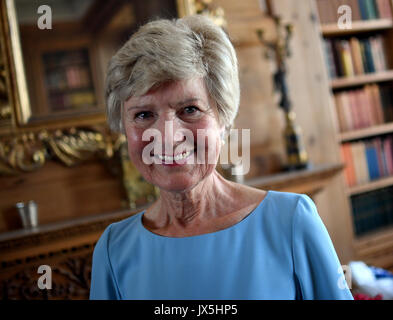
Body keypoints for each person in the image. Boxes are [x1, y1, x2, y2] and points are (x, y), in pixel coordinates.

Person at [89, 14, 353, 300]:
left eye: (189, 109)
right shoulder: (113, 249)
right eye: (143, 114)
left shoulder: (291, 221)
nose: (167, 135)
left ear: (224, 120)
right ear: (124, 129)